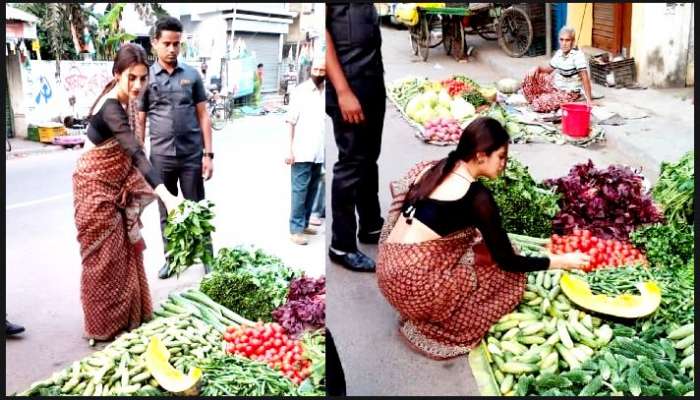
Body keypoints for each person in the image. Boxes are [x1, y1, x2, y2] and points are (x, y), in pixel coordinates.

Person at [375, 117, 590, 360]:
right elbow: (508, 262)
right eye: (501, 157)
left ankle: (423, 303)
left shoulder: (434, 167)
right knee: (506, 278)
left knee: (477, 244)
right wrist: (560, 261)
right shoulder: (478, 198)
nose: (504, 165)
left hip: (387, 272)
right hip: (417, 291)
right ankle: (437, 321)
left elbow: (407, 199)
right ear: (480, 156)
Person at [73, 43, 184, 341]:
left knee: (123, 256)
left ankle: (125, 319)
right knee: (103, 261)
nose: (137, 85)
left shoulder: (129, 102)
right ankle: (101, 327)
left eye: (143, 78)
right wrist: (167, 196)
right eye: (131, 78)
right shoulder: (111, 108)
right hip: (94, 187)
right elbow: (135, 152)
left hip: (115, 187)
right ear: (117, 74)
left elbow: (136, 153)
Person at [137, 17, 214, 280]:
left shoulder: (192, 76)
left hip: (191, 156)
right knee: (166, 212)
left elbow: (203, 115)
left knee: (197, 209)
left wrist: (208, 154)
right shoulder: (145, 78)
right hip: (160, 159)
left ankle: (207, 258)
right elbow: (140, 119)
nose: (172, 49)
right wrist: (140, 161)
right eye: (167, 43)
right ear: (154, 43)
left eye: (177, 44)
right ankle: (172, 259)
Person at [326, 3, 386, 272]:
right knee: (351, 163)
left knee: (369, 157)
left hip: (372, 79)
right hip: (349, 83)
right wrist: (342, 91)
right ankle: (342, 244)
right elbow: (323, 33)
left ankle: (371, 225)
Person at [285, 57, 326, 245]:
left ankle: (304, 223)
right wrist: (289, 150)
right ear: (310, 70)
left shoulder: (326, 92)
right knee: (299, 191)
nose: (318, 73)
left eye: (322, 70)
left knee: (312, 189)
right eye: (316, 69)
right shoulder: (300, 92)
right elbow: (290, 121)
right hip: (302, 150)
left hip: (318, 152)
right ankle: (295, 230)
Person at [524, 26, 594, 112]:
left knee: (540, 103)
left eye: (567, 40)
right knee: (529, 78)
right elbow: (548, 70)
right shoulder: (559, 53)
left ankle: (541, 100)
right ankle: (538, 99)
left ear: (572, 41)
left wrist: (589, 100)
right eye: (561, 40)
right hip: (557, 87)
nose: (564, 43)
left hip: (569, 92)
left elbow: (585, 78)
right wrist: (537, 68)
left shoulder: (577, 56)